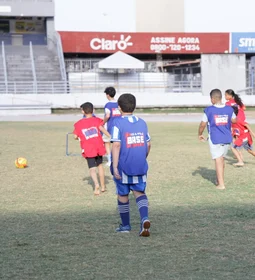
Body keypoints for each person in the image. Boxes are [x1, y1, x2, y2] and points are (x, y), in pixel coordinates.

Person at [111, 93, 151, 236]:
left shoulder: (117, 123)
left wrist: (115, 166)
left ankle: (126, 226)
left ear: (119, 107)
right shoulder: (142, 122)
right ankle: (144, 218)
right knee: (139, 193)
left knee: (123, 194)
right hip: (140, 164)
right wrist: (143, 156)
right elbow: (148, 143)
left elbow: (116, 144)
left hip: (123, 165)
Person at [198, 89, 236, 190]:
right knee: (221, 158)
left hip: (215, 138)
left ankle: (221, 184)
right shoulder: (229, 109)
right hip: (227, 138)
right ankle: (218, 180)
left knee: (218, 160)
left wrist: (200, 134)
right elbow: (234, 120)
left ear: (213, 99)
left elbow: (202, 124)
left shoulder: (209, 110)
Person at [73, 102, 111, 195]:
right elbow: (102, 129)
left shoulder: (78, 124)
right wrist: (109, 136)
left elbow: (75, 136)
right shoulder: (97, 120)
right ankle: (103, 186)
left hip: (88, 148)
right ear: (93, 110)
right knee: (100, 166)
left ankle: (96, 185)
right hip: (98, 147)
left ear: (83, 111)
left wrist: (78, 137)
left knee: (92, 168)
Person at [103, 87, 121, 166]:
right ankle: (117, 159)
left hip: (109, 127)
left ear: (107, 95)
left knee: (107, 143)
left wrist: (102, 122)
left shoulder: (108, 105)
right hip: (119, 126)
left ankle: (110, 161)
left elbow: (107, 116)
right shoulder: (119, 104)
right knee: (117, 143)